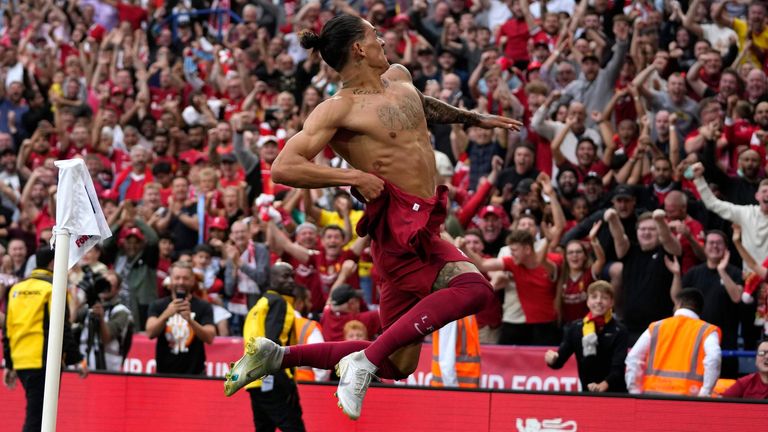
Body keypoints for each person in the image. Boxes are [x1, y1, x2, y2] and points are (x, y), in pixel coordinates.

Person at [224, 14, 521, 420]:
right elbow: (283, 168)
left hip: (422, 222)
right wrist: (352, 176)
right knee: (478, 292)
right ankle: (361, 363)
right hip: (399, 228)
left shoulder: (399, 77)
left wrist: (474, 118)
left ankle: (277, 355)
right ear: (359, 49)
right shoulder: (338, 108)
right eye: (374, 35)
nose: (383, 40)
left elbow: (419, 108)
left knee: (399, 364)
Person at [2, 247, 87, 432]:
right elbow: (62, 328)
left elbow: (8, 329)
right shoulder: (54, 288)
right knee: (37, 418)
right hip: (44, 362)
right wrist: (77, 358)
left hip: (21, 361)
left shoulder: (16, 288)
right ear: (52, 264)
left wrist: (9, 363)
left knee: (37, 414)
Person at [239, 262, 307, 431]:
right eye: (285, 276)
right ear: (271, 279)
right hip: (273, 379)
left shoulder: (260, 304)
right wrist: (287, 383)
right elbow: (272, 343)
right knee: (294, 427)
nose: (291, 281)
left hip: (254, 380)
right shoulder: (279, 303)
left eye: (292, 276)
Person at [625, 288, 722, 397]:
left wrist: (635, 391)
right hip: (689, 399)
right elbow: (714, 358)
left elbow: (634, 357)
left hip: (652, 397)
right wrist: (705, 392)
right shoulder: (707, 331)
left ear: (679, 304)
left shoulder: (656, 327)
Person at [545, 281, 628, 393]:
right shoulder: (575, 328)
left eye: (604, 297)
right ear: (588, 301)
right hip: (587, 393)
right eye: (594, 297)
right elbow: (559, 361)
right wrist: (552, 359)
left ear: (611, 303)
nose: (598, 301)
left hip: (615, 393)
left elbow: (618, 367)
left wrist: (604, 385)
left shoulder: (620, 330)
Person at [145, 261, 216, 375]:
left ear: (193, 281)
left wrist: (190, 320)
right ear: (170, 280)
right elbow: (150, 333)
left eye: (185, 278)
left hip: (195, 375)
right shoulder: (158, 305)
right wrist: (166, 314)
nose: (181, 282)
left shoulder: (204, 306)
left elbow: (209, 338)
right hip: (164, 374)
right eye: (177, 278)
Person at [76, 270, 134, 371]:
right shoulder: (88, 307)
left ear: (118, 289)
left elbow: (106, 338)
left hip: (108, 369)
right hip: (84, 367)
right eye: (103, 282)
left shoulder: (121, 311)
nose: (104, 287)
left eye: (110, 284)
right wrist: (77, 297)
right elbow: (70, 319)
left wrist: (101, 318)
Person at [430, 315, 481, 388]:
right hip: (451, 387)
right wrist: (453, 391)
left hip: (465, 388)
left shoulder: (465, 313)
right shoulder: (451, 314)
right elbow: (446, 361)